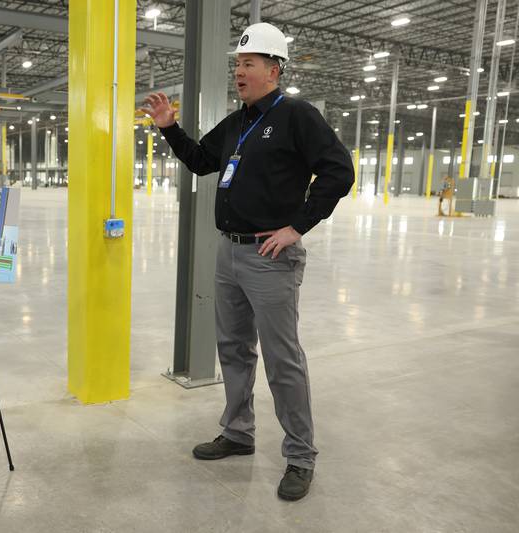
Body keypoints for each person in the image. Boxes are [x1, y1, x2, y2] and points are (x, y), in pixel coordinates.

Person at [142, 22, 354, 501]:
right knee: (234, 349)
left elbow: (339, 172)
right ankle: (238, 432)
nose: (239, 71)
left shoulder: (297, 115)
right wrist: (169, 128)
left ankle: (300, 456)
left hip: (269, 255)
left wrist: (297, 226)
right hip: (229, 250)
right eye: (237, 64)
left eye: (248, 63)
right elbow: (200, 160)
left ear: (273, 70)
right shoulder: (239, 121)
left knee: (283, 361)